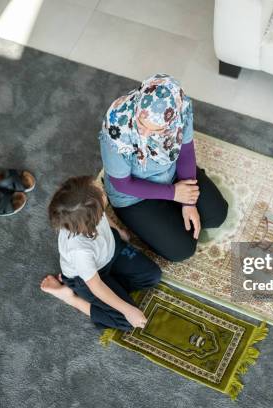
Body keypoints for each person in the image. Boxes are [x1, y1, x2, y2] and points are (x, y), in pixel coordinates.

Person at [99, 73, 228, 262]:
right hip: (133, 195)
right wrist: (174, 194)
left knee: (217, 215)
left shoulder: (181, 107)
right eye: (141, 124)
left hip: (170, 172)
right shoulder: (116, 125)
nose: (144, 133)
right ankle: (159, 211)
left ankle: (169, 208)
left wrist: (189, 202)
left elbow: (185, 153)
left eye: (156, 130)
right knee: (183, 249)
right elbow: (122, 184)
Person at [40, 175, 161, 330]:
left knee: (152, 275)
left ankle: (111, 289)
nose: (102, 193)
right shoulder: (79, 250)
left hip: (110, 250)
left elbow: (102, 212)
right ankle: (71, 297)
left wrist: (118, 230)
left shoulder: (90, 201)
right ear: (90, 223)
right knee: (127, 321)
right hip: (86, 278)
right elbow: (96, 285)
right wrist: (128, 310)